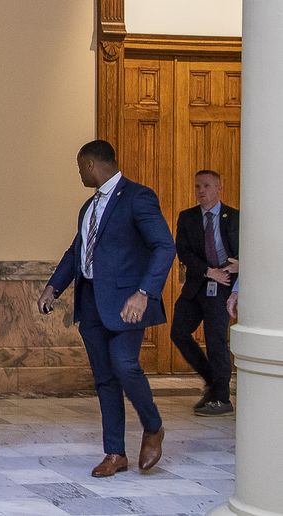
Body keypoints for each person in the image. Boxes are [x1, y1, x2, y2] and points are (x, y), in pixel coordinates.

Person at [37, 140, 175, 478]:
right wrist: (53, 286)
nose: (79, 173)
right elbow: (76, 252)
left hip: (127, 304)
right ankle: (115, 453)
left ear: (90, 164)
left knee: (125, 365)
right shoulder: (88, 207)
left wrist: (144, 292)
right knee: (104, 380)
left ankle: (153, 426)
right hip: (91, 304)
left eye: (79, 167)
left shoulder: (137, 197)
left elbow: (164, 246)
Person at [170, 170, 239, 416]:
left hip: (223, 287)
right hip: (197, 284)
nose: (201, 191)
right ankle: (212, 379)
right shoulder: (187, 217)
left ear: (219, 188)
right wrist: (210, 272)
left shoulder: (234, 217)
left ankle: (221, 399)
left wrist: (238, 267)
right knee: (178, 332)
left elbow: (245, 250)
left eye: (207, 186)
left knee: (215, 340)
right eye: (198, 185)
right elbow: (184, 252)